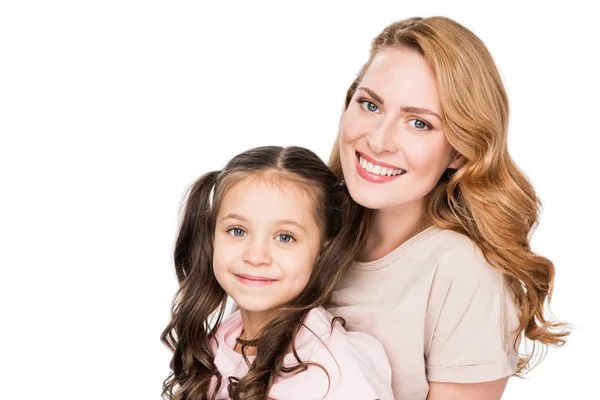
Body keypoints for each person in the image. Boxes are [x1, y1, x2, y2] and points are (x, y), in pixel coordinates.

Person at [326, 16, 569, 400]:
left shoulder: (463, 272)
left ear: (459, 151)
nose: (377, 140)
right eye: (370, 104)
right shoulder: (303, 230)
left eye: (419, 123)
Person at [161, 146, 394, 400]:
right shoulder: (221, 340)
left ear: (322, 247)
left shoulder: (333, 365)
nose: (256, 256)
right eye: (238, 231)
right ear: (212, 235)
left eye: (285, 237)